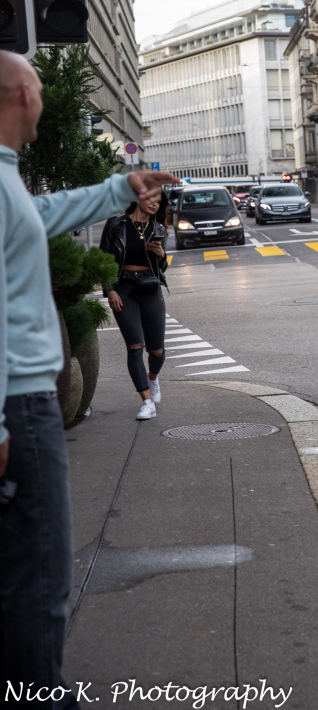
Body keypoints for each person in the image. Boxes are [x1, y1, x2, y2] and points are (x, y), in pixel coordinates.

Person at [1, 49, 177, 709]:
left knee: (27, 568)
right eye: (40, 90)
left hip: (22, 401)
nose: (44, 101)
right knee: (39, 570)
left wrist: (118, 189)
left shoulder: (6, 177)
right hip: (18, 405)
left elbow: (40, 216)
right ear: (20, 94)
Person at [99, 194, 169, 420]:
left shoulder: (158, 228)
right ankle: (147, 402)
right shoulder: (116, 224)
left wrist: (162, 255)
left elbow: (162, 268)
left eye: (158, 201)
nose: (154, 203)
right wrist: (109, 290)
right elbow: (104, 259)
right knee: (135, 347)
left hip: (150, 288)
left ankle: (153, 377)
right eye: (150, 198)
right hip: (124, 289)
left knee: (157, 351)